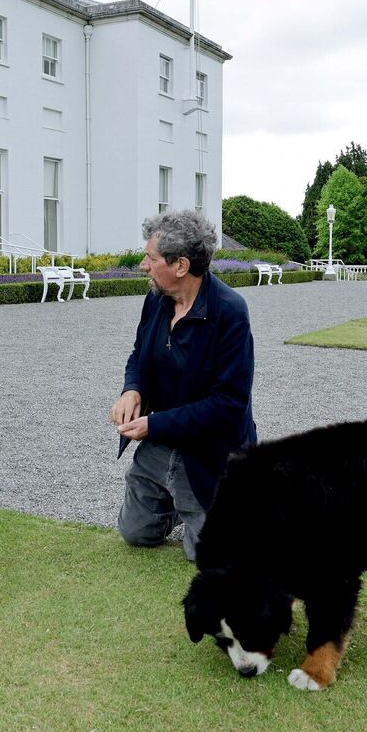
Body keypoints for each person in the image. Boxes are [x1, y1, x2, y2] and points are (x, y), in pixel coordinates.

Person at [110, 209, 257, 562]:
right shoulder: (155, 300)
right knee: (134, 533)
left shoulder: (230, 312)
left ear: (180, 266)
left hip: (210, 450)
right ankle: (180, 505)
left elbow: (229, 405)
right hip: (163, 441)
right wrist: (132, 390)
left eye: (151, 258)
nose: (144, 265)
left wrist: (152, 424)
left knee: (205, 554)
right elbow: (139, 355)